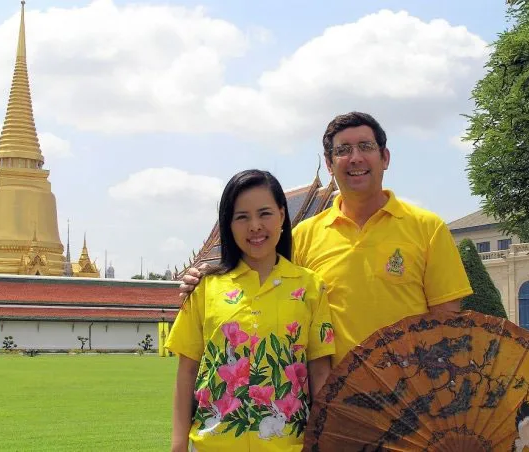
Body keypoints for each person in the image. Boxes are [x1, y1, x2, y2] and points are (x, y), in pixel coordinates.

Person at [180, 112, 472, 369]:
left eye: (366, 147)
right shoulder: (303, 236)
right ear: (330, 165)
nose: (355, 157)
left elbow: (445, 327)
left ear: (385, 158)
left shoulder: (427, 228)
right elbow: (259, 286)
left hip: (407, 400)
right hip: (330, 403)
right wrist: (210, 278)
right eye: (343, 150)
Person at [167, 169, 335, 452]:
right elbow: (187, 372)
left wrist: (324, 441)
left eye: (265, 213)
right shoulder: (206, 288)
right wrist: (177, 444)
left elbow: (320, 372)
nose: (255, 226)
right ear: (228, 226)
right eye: (242, 217)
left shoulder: (310, 287)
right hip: (212, 444)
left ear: (283, 216)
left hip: (288, 446)